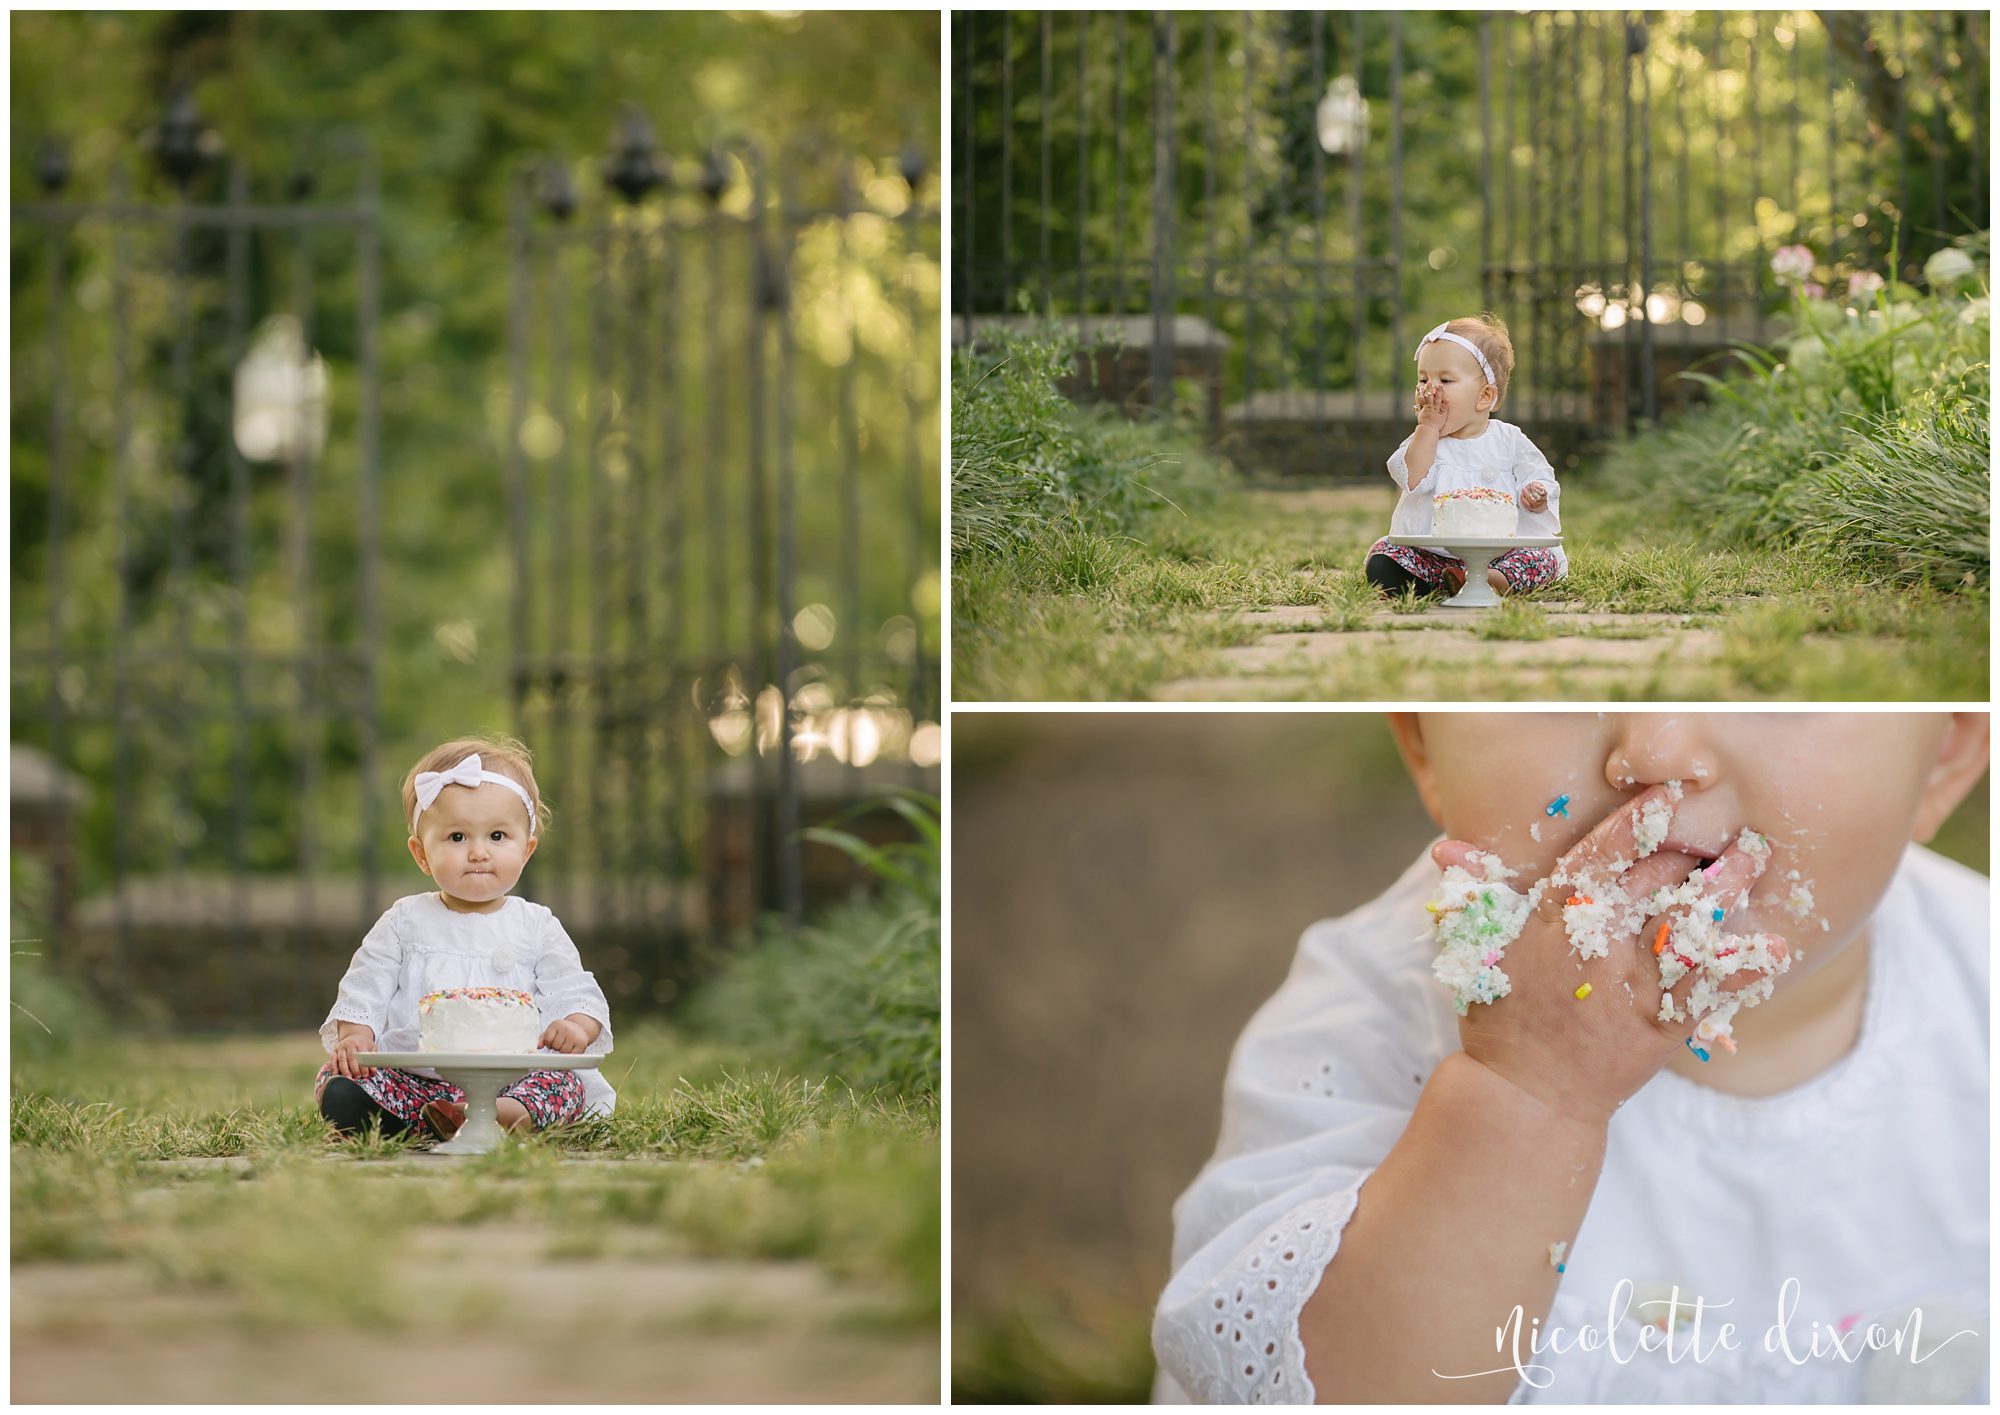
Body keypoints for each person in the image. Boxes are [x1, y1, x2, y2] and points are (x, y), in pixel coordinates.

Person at [1152, 713, 1989, 1403]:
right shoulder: (1369, 1020)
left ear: (1945, 754)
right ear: (1423, 742)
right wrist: (1528, 1090)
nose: (1657, 750)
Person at [315, 737, 616, 1142]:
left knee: (563, 1084)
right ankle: (416, 1117)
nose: (478, 853)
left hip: (514, 1078)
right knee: (339, 1078)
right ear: (421, 854)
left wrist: (575, 1026)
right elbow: (367, 984)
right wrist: (356, 1035)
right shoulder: (405, 921)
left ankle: (497, 1115)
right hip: (419, 1078)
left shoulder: (536, 925)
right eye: (457, 837)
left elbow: (576, 990)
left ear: (526, 851)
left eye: (497, 836)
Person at [1364, 315, 1566, 598]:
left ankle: (1491, 580)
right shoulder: (1426, 440)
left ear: (1484, 396)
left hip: (1500, 554)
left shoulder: (1509, 440)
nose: (1430, 388)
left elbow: (1538, 473)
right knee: (1384, 554)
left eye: (1445, 380)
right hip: (1436, 554)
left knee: (1541, 558)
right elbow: (1412, 479)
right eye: (1423, 379)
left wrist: (1536, 493)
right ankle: (1446, 581)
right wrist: (1428, 428)